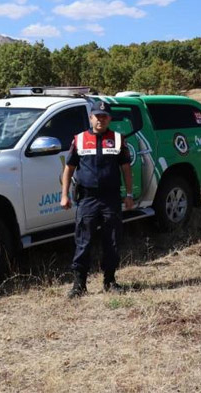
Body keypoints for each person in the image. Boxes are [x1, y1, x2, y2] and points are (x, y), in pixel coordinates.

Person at [61, 100, 134, 298]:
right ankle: (79, 284)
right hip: (87, 198)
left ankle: (109, 281)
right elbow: (69, 169)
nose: (100, 119)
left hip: (111, 198)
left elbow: (126, 169)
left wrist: (129, 194)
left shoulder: (118, 139)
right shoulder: (80, 140)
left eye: (105, 116)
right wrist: (64, 195)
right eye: (97, 116)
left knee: (112, 240)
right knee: (83, 241)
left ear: (110, 119)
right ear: (91, 117)